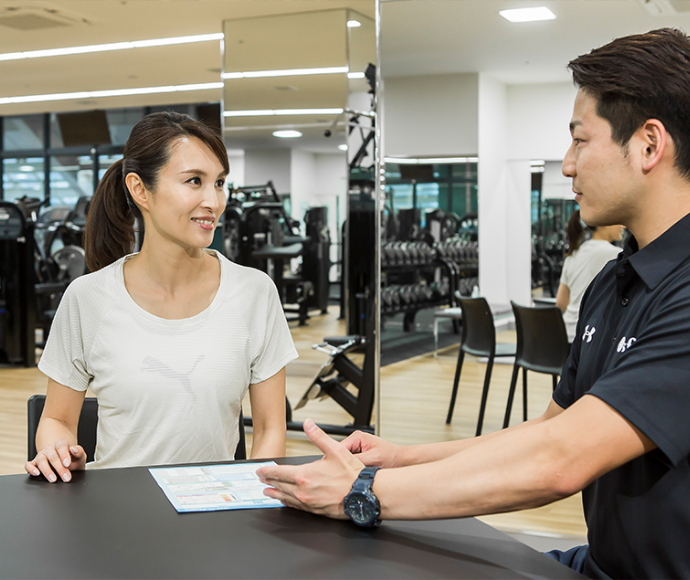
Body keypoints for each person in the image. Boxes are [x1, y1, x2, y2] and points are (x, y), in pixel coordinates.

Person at [257, 28, 690, 579]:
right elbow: (544, 435)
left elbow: (559, 464)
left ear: (650, 145)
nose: (566, 165)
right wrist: (399, 458)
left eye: (581, 140)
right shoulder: (613, 281)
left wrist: (362, 491)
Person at [26, 112, 298, 483]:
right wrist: (56, 451)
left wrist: (248, 502)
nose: (213, 201)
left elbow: (269, 429)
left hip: (214, 511)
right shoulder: (88, 298)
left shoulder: (254, 292)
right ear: (140, 190)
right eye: (194, 181)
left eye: (219, 183)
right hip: (116, 516)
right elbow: (56, 420)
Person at [556, 210, 623, 341]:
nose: (623, 226)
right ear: (604, 223)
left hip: (565, 335)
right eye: (619, 220)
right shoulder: (616, 255)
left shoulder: (572, 255)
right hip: (589, 337)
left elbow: (561, 302)